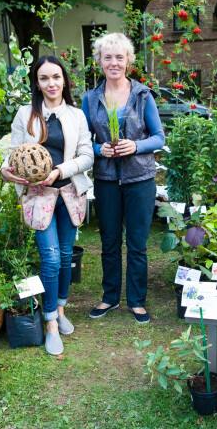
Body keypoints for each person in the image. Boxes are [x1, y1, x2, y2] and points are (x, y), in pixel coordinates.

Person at [0, 56, 94, 355]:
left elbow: (87, 156)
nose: (51, 83)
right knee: (51, 259)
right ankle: (51, 322)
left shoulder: (76, 115)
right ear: (37, 83)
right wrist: (4, 170)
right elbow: (14, 153)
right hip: (39, 196)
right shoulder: (25, 113)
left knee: (66, 256)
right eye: (44, 78)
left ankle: (62, 309)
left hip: (68, 192)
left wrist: (59, 171)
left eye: (56, 77)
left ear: (64, 80)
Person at [81, 33, 165, 324]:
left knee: (138, 242)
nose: (114, 62)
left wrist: (136, 145)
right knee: (109, 241)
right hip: (106, 179)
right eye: (108, 57)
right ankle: (110, 296)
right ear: (99, 61)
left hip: (140, 179)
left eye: (119, 57)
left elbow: (159, 137)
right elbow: (82, 141)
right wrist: (97, 148)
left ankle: (137, 300)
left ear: (128, 61)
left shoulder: (142, 95)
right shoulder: (90, 98)